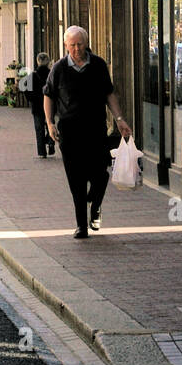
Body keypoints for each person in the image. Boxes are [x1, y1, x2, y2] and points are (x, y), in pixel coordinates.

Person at [43, 26, 131, 239]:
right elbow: (49, 96)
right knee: (76, 180)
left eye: (79, 44)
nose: (76, 49)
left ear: (86, 43)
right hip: (70, 132)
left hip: (96, 129)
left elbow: (109, 94)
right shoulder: (59, 68)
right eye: (72, 45)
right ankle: (82, 226)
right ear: (66, 46)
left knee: (100, 175)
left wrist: (119, 119)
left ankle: (95, 203)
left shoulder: (98, 65)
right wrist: (49, 123)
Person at [26, 52, 54, 158]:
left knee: (39, 129)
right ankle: (51, 142)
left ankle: (42, 152)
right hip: (51, 105)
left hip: (37, 106)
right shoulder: (52, 74)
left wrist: (31, 99)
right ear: (48, 61)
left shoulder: (32, 75)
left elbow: (27, 90)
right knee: (50, 125)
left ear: (38, 61)